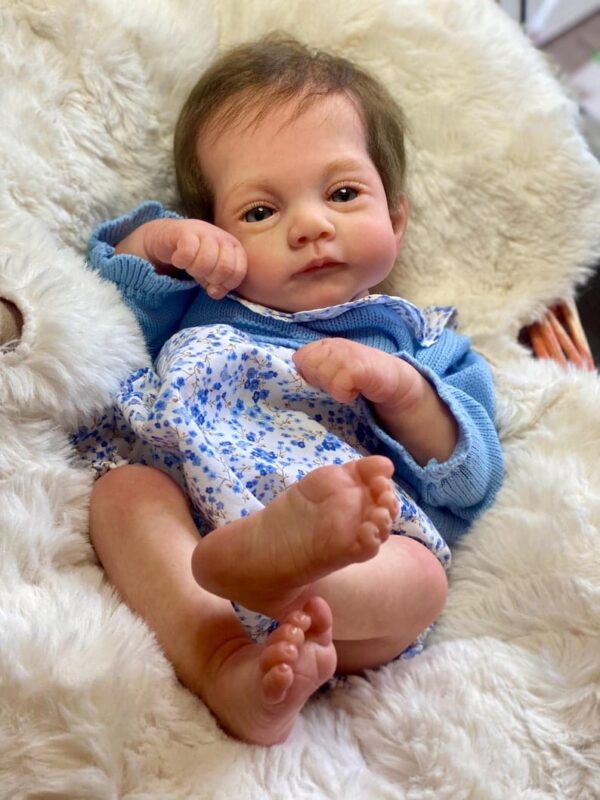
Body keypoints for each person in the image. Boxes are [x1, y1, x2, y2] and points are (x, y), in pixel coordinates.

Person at [74, 36, 504, 746]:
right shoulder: (207, 295)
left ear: (396, 217)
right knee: (123, 495)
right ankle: (223, 666)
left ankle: (288, 580)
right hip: (196, 541)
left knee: (422, 579)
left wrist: (401, 391)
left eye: (341, 194)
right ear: (217, 232)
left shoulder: (417, 340)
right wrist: (158, 243)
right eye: (260, 213)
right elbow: (107, 308)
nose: (310, 226)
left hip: (346, 581)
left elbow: (473, 475)